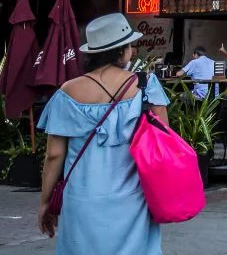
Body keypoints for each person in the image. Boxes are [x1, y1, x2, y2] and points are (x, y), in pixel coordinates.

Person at [36, 13, 170, 253]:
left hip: (81, 200)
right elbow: (164, 139)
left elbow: (54, 155)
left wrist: (46, 201)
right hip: (134, 199)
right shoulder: (145, 83)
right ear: (122, 51)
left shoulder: (67, 92)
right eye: (129, 45)